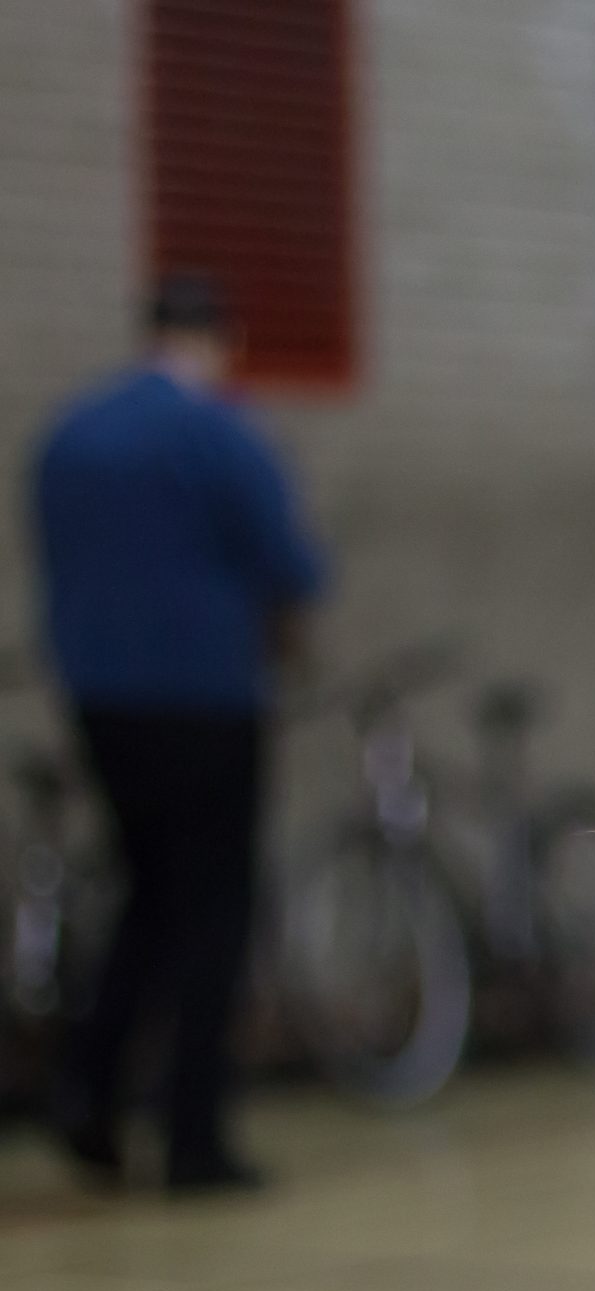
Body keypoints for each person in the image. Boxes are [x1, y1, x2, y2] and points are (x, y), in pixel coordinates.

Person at [28, 274, 329, 1193]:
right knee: (213, 911)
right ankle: (194, 1136)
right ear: (218, 340)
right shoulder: (219, 431)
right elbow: (290, 564)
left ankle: (87, 1094)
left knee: (146, 895)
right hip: (204, 701)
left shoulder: (68, 435)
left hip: (100, 702)